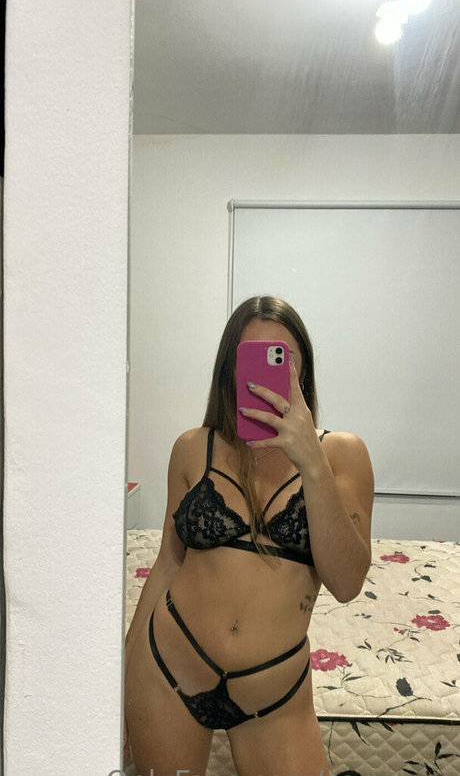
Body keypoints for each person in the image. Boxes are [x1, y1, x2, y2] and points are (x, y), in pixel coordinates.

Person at [124, 295, 374, 776]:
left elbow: (346, 583)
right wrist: (120, 676)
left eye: (282, 358)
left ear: (303, 369)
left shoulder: (342, 454)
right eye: (250, 358)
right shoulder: (192, 448)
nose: (266, 374)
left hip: (274, 693)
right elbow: (168, 564)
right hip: (169, 667)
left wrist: (310, 462)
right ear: (229, 371)